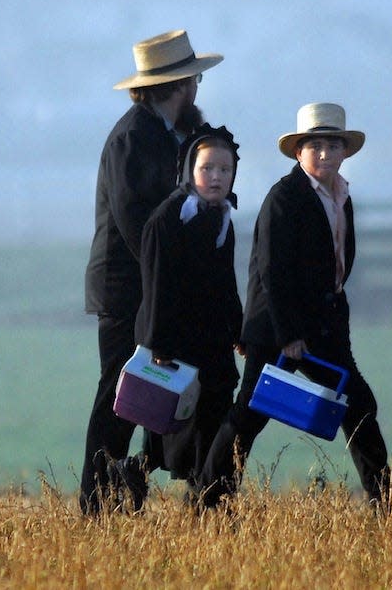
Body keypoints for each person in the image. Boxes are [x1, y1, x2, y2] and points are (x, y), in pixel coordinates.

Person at [200, 103, 392, 509]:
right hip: (281, 327)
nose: (326, 154)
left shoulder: (341, 195)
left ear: (345, 152)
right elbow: (271, 272)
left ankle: (386, 497)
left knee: (357, 401)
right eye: (316, 146)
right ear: (299, 152)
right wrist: (289, 335)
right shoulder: (284, 198)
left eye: (333, 145)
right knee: (250, 414)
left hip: (324, 325)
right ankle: (210, 496)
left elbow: (339, 260)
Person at [79, 29, 223, 515]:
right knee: (119, 397)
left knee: (163, 393)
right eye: (194, 81)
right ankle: (95, 505)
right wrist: (177, 274)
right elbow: (138, 225)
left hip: (154, 288)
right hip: (127, 292)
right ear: (181, 86)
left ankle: (130, 482)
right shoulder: (132, 138)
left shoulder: (166, 135)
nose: (198, 90)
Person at [134, 124, 243, 507]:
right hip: (177, 341)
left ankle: (208, 499)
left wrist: (238, 330)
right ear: (189, 171)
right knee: (173, 426)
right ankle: (130, 482)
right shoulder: (168, 219)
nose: (216, 178)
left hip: (213, 339)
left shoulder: (224, 218)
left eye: (224, 170)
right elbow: (156, 285)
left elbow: (227, 282)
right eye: (207, 168)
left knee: (214, 417)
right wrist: (159, 342)